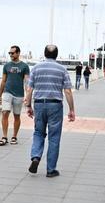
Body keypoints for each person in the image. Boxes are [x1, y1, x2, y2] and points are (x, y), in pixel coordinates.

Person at [24, 45, 75, 177]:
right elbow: (68, 91)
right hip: (55, 105)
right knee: (54, 137)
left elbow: (29, 90)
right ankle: (51, 169)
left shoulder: (36, 68)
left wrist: (28, 106)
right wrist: (72, 109)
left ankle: (35, 156)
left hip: (39, 104)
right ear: (57, 55)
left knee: (38, 133)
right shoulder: (62, 69)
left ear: (45, 54)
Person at [0, 45, 30, 145]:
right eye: (9, 53)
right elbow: (3, 81)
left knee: (16, 116)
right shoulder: (6, 66)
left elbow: (26, 82)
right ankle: (4, 136)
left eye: (12, 53)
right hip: (7, 93)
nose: (11, 55)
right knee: (5, 113)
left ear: (18, 53)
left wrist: (27, 96)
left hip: (19, 94)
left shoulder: (24, 66)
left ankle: (14, 136)